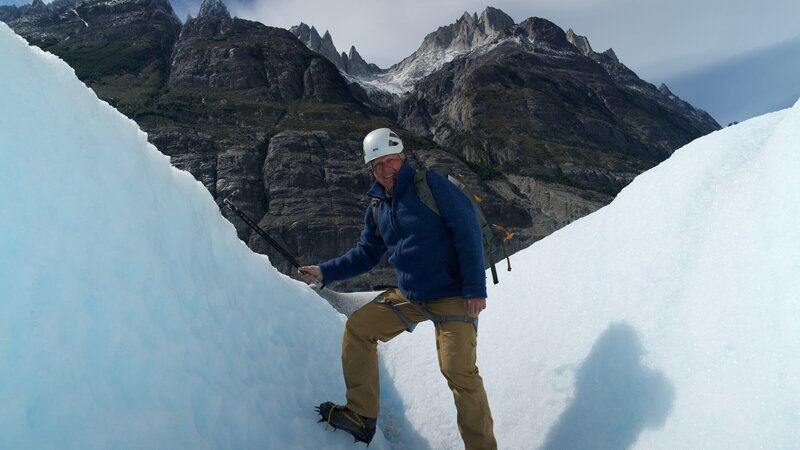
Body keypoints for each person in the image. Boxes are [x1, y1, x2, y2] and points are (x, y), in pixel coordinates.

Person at [299, 128, 497, 449]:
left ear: (403, 158)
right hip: (411, 295)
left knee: (458, 372)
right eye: (377, 165)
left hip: (453, 294)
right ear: (371, 169)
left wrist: (475, 287)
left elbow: (468, 231)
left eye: (390, 160)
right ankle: (361, 416)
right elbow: (366, 254)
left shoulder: (432, 186)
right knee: (359, 329)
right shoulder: (378, 207)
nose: (385, 169)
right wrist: (325, 271)